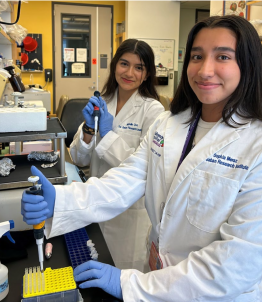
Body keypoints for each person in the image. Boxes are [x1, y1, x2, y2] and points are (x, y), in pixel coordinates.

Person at [21, 15, 262, 301]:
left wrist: (133, 285)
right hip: (156, 268)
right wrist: (60, 201)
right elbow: (126, 178)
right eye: (197, 56)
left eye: (223, 56)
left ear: (247, 64)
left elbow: (237, 262)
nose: (205, 70)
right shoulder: (170, 125)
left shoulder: (253, 144)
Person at [69, 39, 164, 271]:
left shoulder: (154, 110)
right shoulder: (103, 103)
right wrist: (90, 130)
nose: (129, 72)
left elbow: (145, 169)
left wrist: (109, 134)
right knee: (94, 271)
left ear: (147, 73)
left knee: (123, 278)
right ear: (114, 66)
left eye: (139, 67)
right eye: (124, 63)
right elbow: (78, 160)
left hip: (129, 214)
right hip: (95, 206)